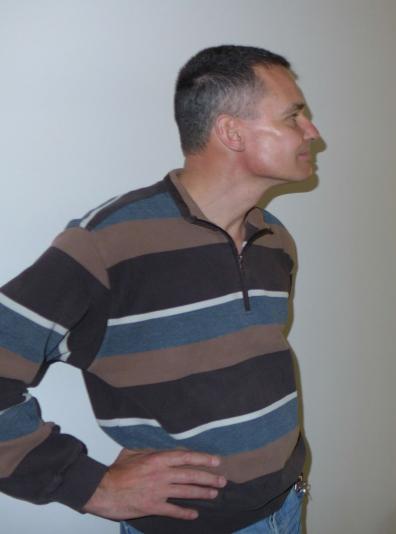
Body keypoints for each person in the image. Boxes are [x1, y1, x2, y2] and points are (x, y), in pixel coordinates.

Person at [0, 45, 320, 534]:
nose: (312, 132)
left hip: (286, 506)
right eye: (293, 116)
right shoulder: (109, 244)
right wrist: (90, 486)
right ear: (231, 132)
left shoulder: (275, 240)